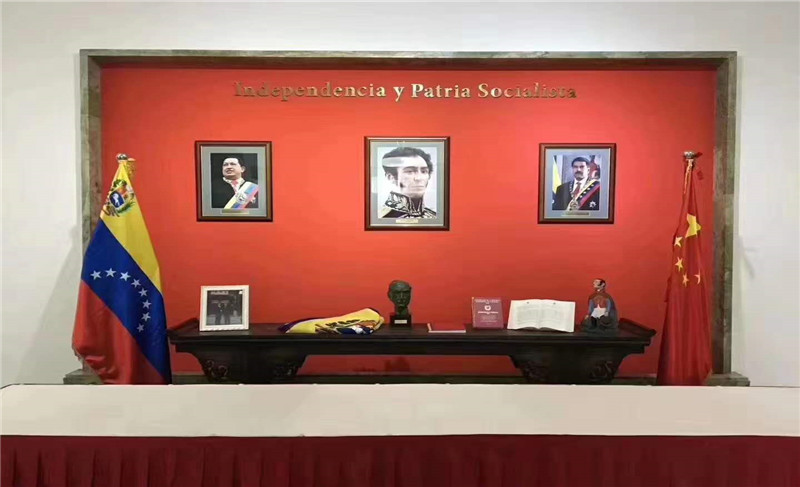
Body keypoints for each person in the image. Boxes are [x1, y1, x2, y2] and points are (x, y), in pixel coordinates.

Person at [379, 147, 436, 218]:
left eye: (424, 171)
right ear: (391, 177)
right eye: (409, 171)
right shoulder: (381, 217)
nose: (419, 178)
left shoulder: (434, 217)